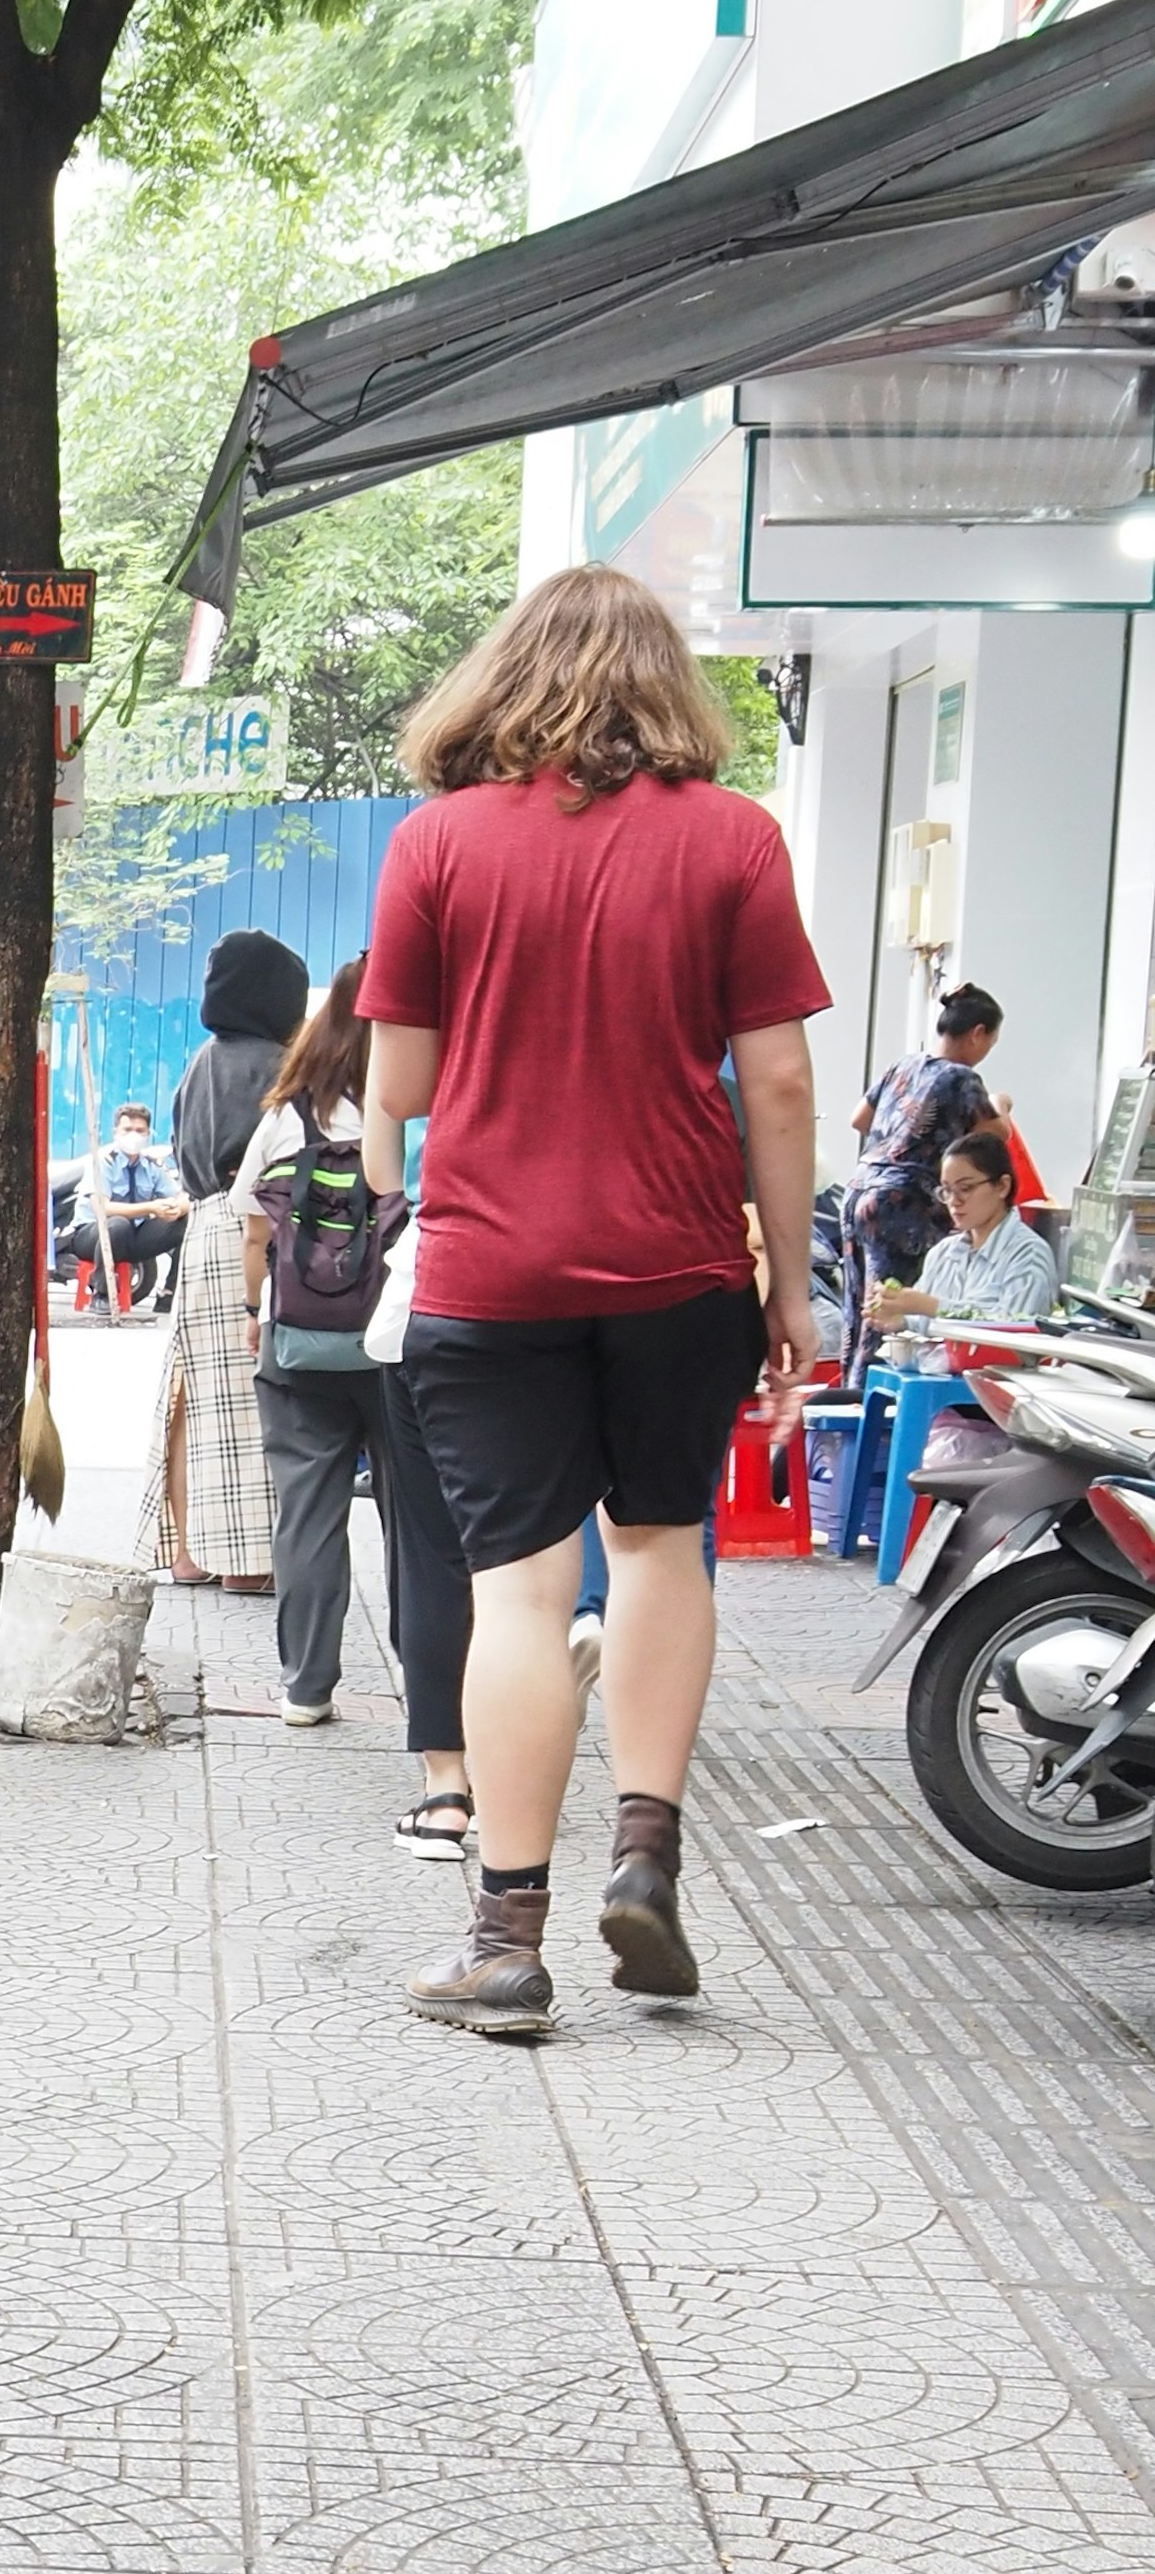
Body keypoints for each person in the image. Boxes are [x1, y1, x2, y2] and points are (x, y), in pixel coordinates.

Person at [358, 565, 826, 2034]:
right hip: (681, 1263)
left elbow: (407, 1087)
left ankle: (505, 1938)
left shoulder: (437, 843)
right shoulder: (736, 840)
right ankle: (645, 1855)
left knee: (520, 1587)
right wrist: (792, 1284)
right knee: (666, 1546)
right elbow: (784, 1079)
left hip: (492, 1269)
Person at [237, 962, 472, 1816]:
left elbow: (254, 1232)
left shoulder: (284, 1117)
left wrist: (251, 1313)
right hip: (398, 1343)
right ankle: (428, 1685)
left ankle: (306, 1686)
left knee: (306, 1511)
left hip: (299, 1345)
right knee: (417, 1522)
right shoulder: (425, 1109)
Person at [161, 929, 306, 1585]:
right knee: (252, 1396)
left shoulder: (199, 1062)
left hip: (200, 1226)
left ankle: (189, 1553)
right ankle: (247, 1564)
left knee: (191, 1393)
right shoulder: (278, 1067)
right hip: (254, 1228)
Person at [842, 985, 1005, 1370]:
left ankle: (848, 1404)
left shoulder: (904, 1065)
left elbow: (859, 1120)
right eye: (991, 1042)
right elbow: (996, 1135)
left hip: (860, 1191)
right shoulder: (962, 1078)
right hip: (902, 1205)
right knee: (889, 1314)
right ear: (977, 1033)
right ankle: (872, 1411)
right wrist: (1003, 1105)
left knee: (859, 1310)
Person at [911, 1125, 1063, 1332]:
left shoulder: (1028, 1254)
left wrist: (932, 1307)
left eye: (965, 1189)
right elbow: (918, 1320)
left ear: (1002, 1186)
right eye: (947, 1191)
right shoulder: (942, 1253)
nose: (954, 1201)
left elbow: (1014, 1332)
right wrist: (898, 1319)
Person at [77, 1105, 188, 1308]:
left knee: (187, 1221)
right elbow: (102, 1209)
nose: (133, 1136)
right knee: (118, 1224)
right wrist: (151, 1208)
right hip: (93, 1235)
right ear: (115, 1132)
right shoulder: (103, 1162)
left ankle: (168, 1295)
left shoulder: (151, 1165)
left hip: (133, 1236)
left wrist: (177, 1208)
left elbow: (182, 1195)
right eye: (127, 1130)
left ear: (148, 1134)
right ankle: (101, 1294)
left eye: (140, 1131)